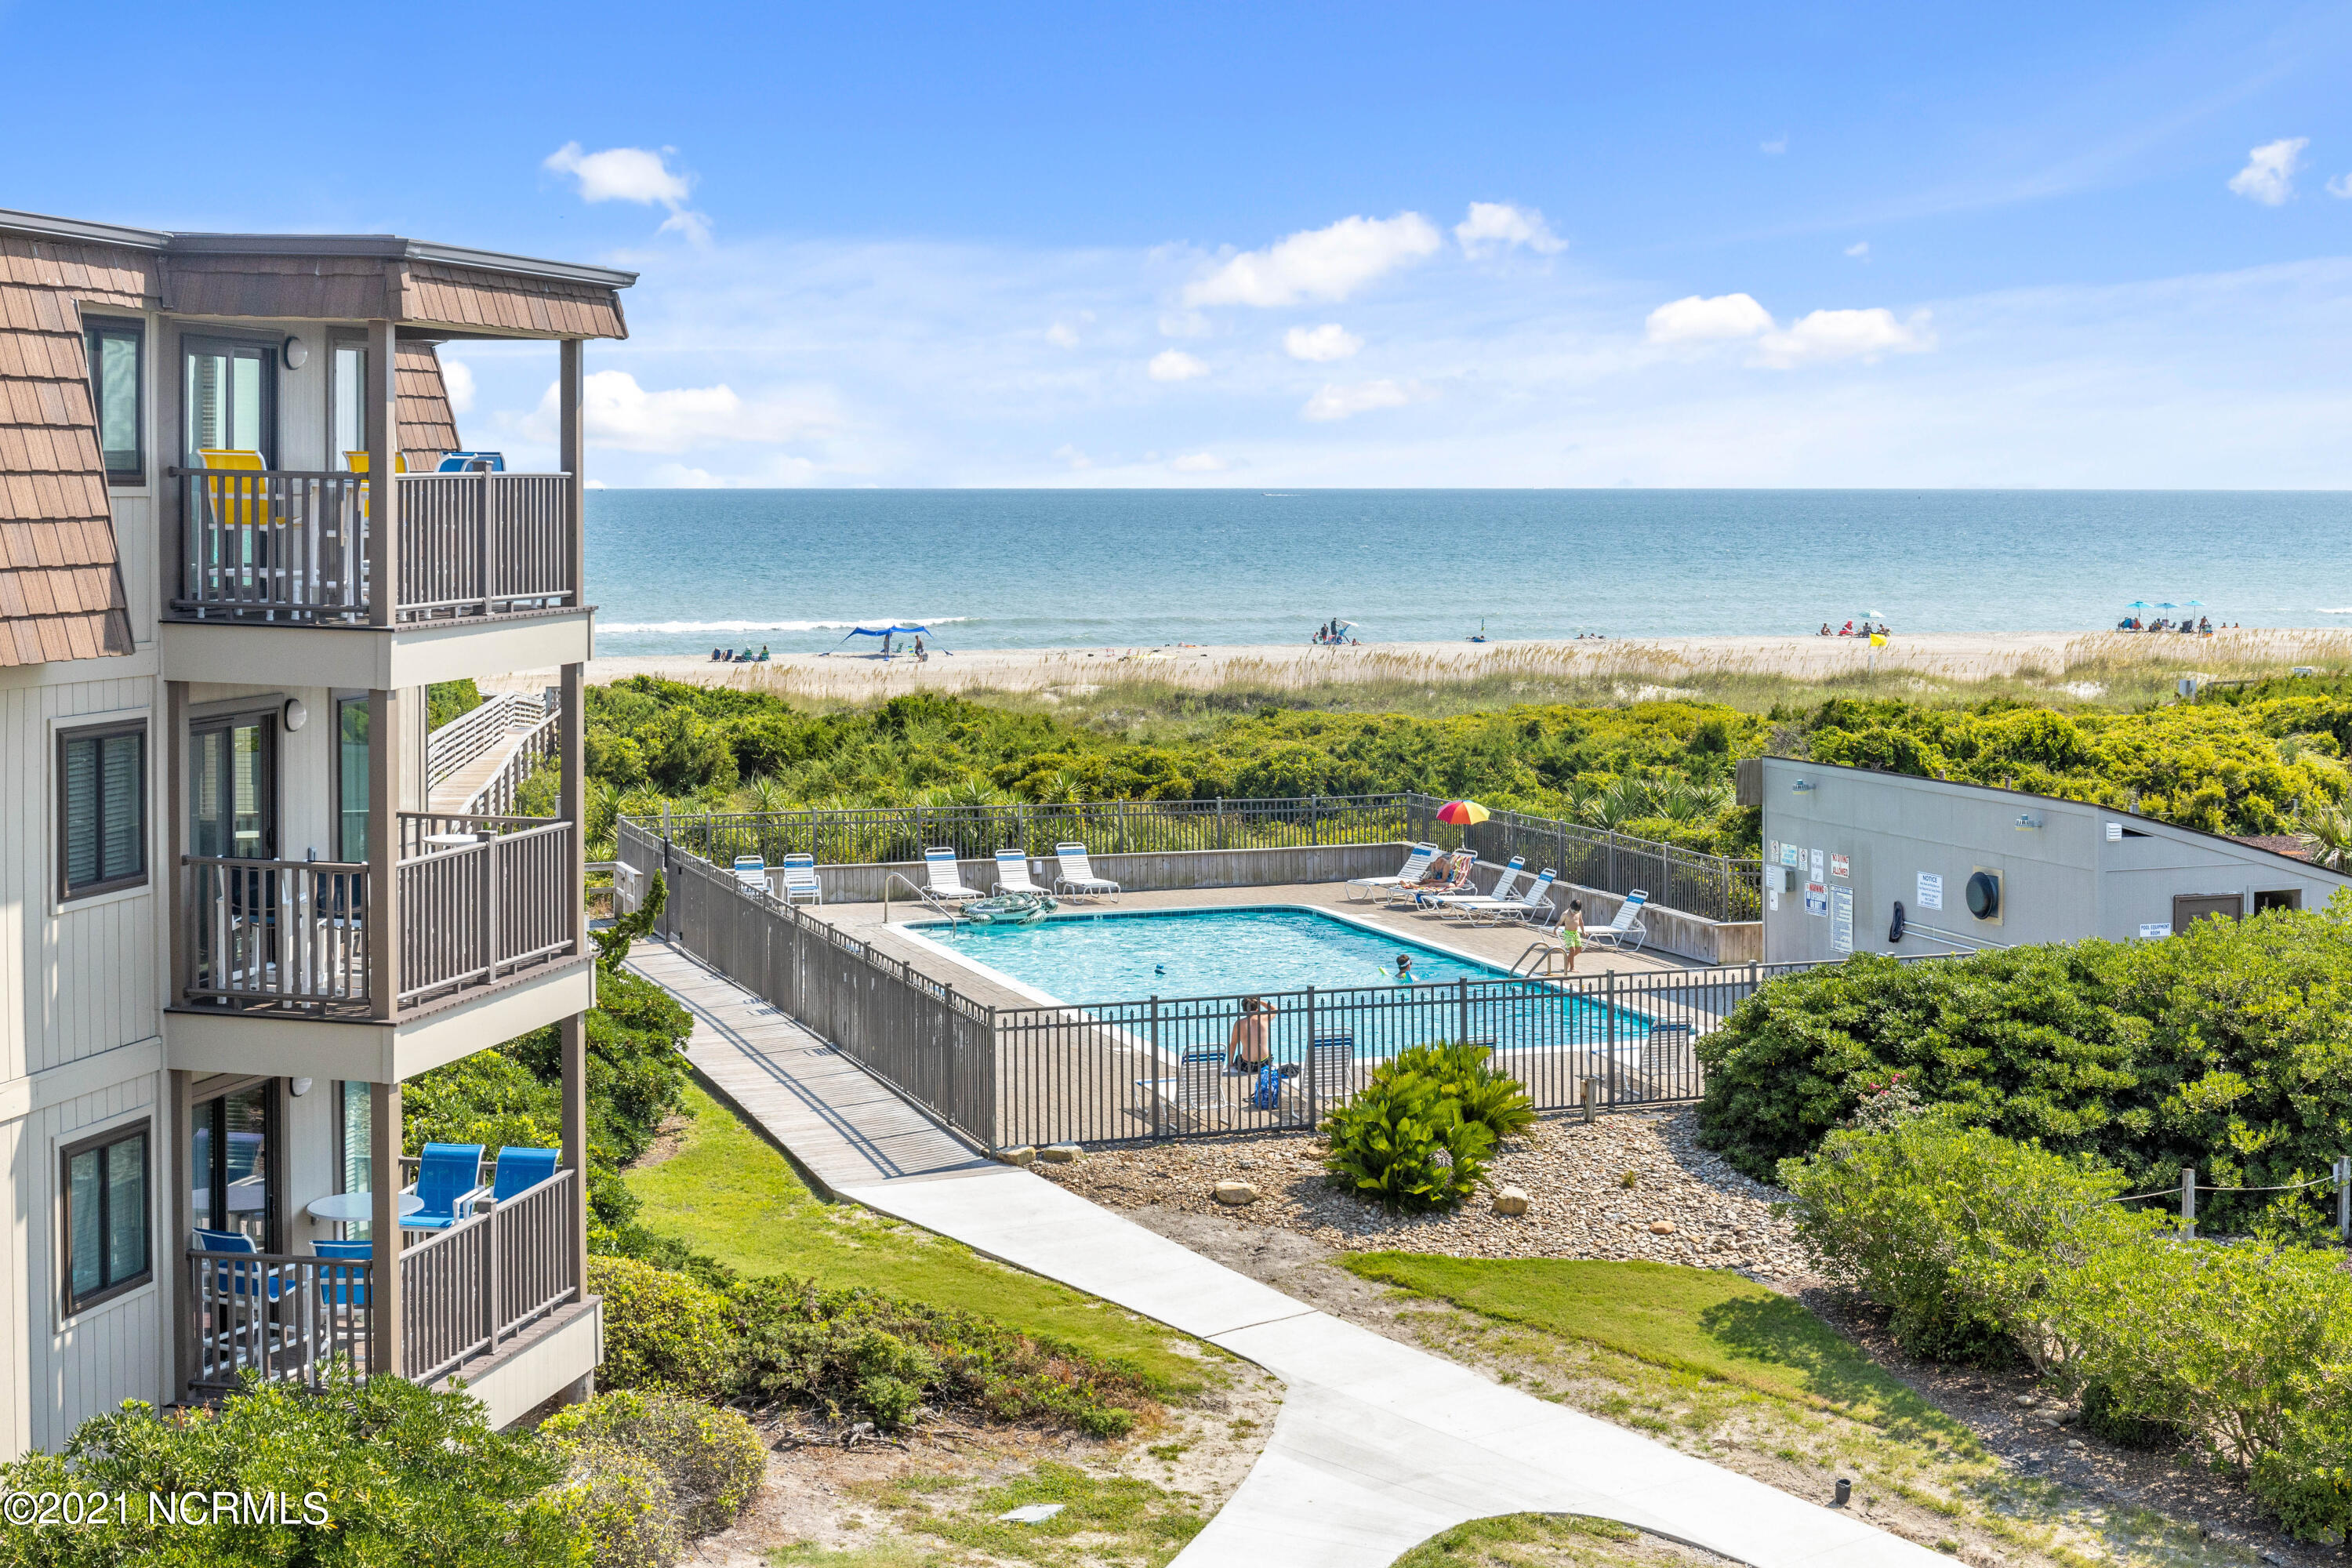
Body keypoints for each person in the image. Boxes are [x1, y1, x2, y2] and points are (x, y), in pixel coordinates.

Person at [1227, 995, 1276, 1072]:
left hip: (1247, 1065)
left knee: (1238, 1058)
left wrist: (1230, 1063)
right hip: (1265, 1064)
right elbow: (1274, 1009)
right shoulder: (1264, 1018)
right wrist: (1260, 1001)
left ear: (1244, 1009)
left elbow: (1233, 1044)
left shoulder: (1239, 1023)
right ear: (1257, 1009)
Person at [1556, 900, 1586, 972]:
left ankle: (1568, 958)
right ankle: (1572, 967)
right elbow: (1560, 922)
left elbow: (1581, 922)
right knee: (1572, 950)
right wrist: (1555, 929)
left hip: (1576, 933)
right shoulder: (1566, 914)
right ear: (1570, 906)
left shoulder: (1579, 912)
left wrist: (1583, 931)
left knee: (1579, 949)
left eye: (1576, 912)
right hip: (1568, 933)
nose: (1575, 913)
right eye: (1574, 911)